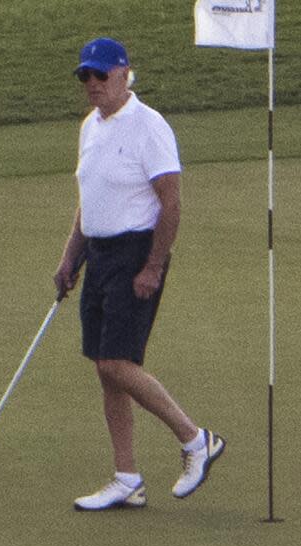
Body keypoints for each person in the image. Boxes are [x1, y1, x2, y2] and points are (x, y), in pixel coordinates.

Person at [54, 38, 225, 511]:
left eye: (100, 75)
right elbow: (88, 202)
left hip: (136, 254)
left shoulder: (149, 127)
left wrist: (153, 265)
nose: (92, 85)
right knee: (106, 372)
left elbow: (171, 202)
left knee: (116, 363)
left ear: (125, 73)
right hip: (99, 253)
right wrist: (70, 257)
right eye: (85, 77)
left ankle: (195, 440)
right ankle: (127, 478)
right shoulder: (90, 126)